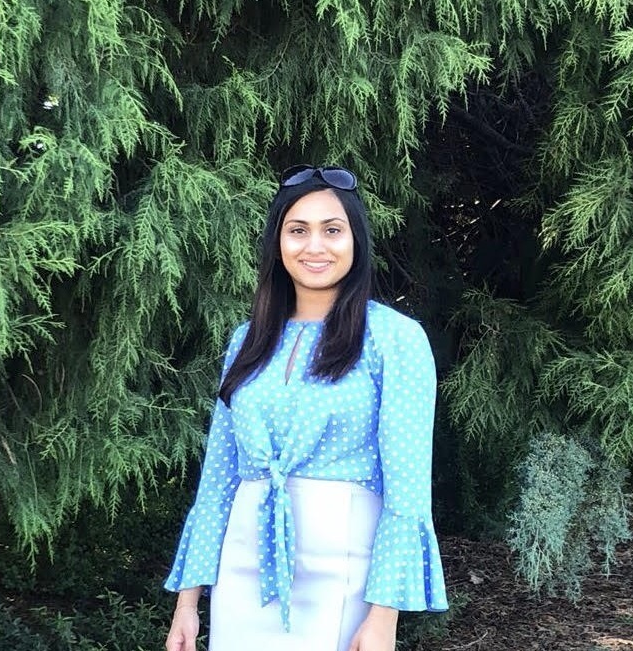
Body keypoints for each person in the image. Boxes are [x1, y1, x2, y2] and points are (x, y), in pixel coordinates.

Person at [164, 165, 448, 651]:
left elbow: (408, 492)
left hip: (344, 567)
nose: (314, 246)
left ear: (356, 241)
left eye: (332, 230)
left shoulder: (394, 338)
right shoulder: (247, 340)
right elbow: (217, 482)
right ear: (278, 243)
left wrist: (384, 616)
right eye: (298, 231)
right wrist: (187, 603)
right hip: (243, 566)